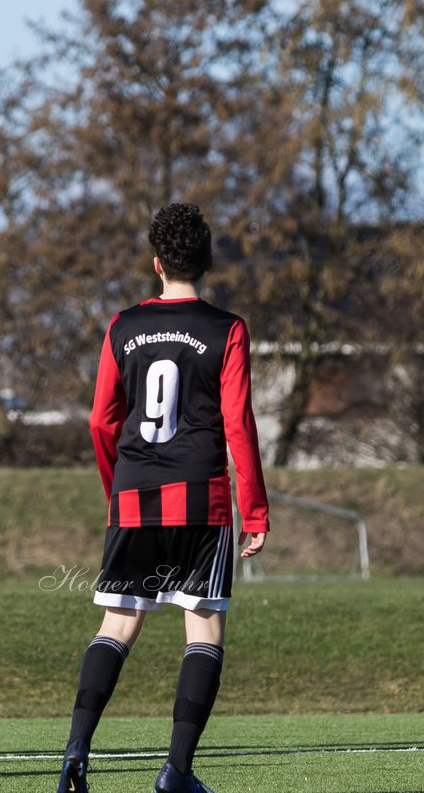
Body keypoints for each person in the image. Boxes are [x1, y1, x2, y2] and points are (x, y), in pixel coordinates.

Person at [55, 203, 269, 793]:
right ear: (207, 263)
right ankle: (176, 771)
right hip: (201, 499)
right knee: (204, 631)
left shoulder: (122, 326)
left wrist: (118, 489)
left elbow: (101, 420)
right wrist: (254, 511)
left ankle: (75, 754)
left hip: (134, 494)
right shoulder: (226, 328)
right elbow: (238, 426)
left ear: (156, 264)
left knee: (116, 625)